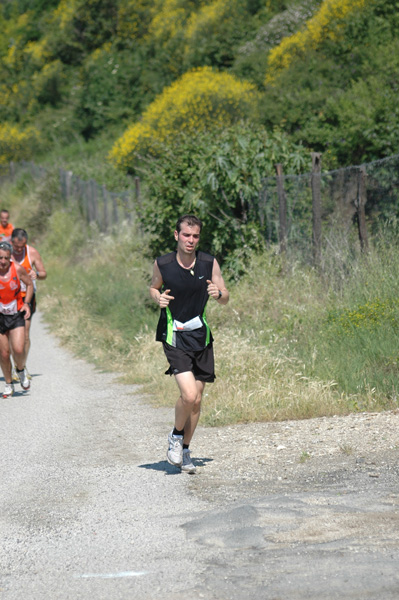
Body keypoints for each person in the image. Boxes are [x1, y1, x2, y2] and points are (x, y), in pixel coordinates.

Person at [150, 215, 229, 474]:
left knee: (196, 402)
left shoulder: (208, 262)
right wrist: (158, 298)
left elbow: (225, 296)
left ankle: (184, 450)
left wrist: (219, 295)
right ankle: (175, 435)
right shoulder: (163, 263)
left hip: (201, 337)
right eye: (186, 235)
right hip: (174, 336)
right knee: (189, 395)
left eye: (195, 236)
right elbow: (153, 287)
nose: (190, 240)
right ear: (176, 235)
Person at [10, 228, 47, 376]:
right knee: (11, 335)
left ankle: (21, 366)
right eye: (16, 246)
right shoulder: (5, 254)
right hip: (9, 298)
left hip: (27, 297)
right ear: (11, 241)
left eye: (22, 246)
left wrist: (36, 274)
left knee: (24, 334)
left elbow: (44, 273)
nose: (19, 249)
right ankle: (15, 365)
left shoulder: (31, 252)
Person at [0, 241, 34, 397]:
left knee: (19, 349)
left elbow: (29, 285)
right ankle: (8, 384)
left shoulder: (18, 269)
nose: (3, 261)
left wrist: (26, 303)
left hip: (15, 315)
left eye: (6, 258)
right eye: (0, 258)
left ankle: (20, 369)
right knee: (4, 353)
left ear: (10, 258)